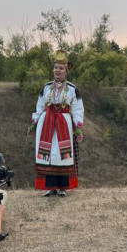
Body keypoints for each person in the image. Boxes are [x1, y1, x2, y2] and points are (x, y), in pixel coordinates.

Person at [29, 50, 85, 197]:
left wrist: (77, 126)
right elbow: (40, 106)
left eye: (60, 68)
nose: (57, 70)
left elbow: (78, 107)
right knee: (47, 154)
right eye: (55, 68)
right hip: (46, 123)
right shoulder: (46, 87)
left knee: (62, 154)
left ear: (66, 72)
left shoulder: (72, 89)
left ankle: (62, 187)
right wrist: (34, 123)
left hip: (63, 124)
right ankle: (50, 187)